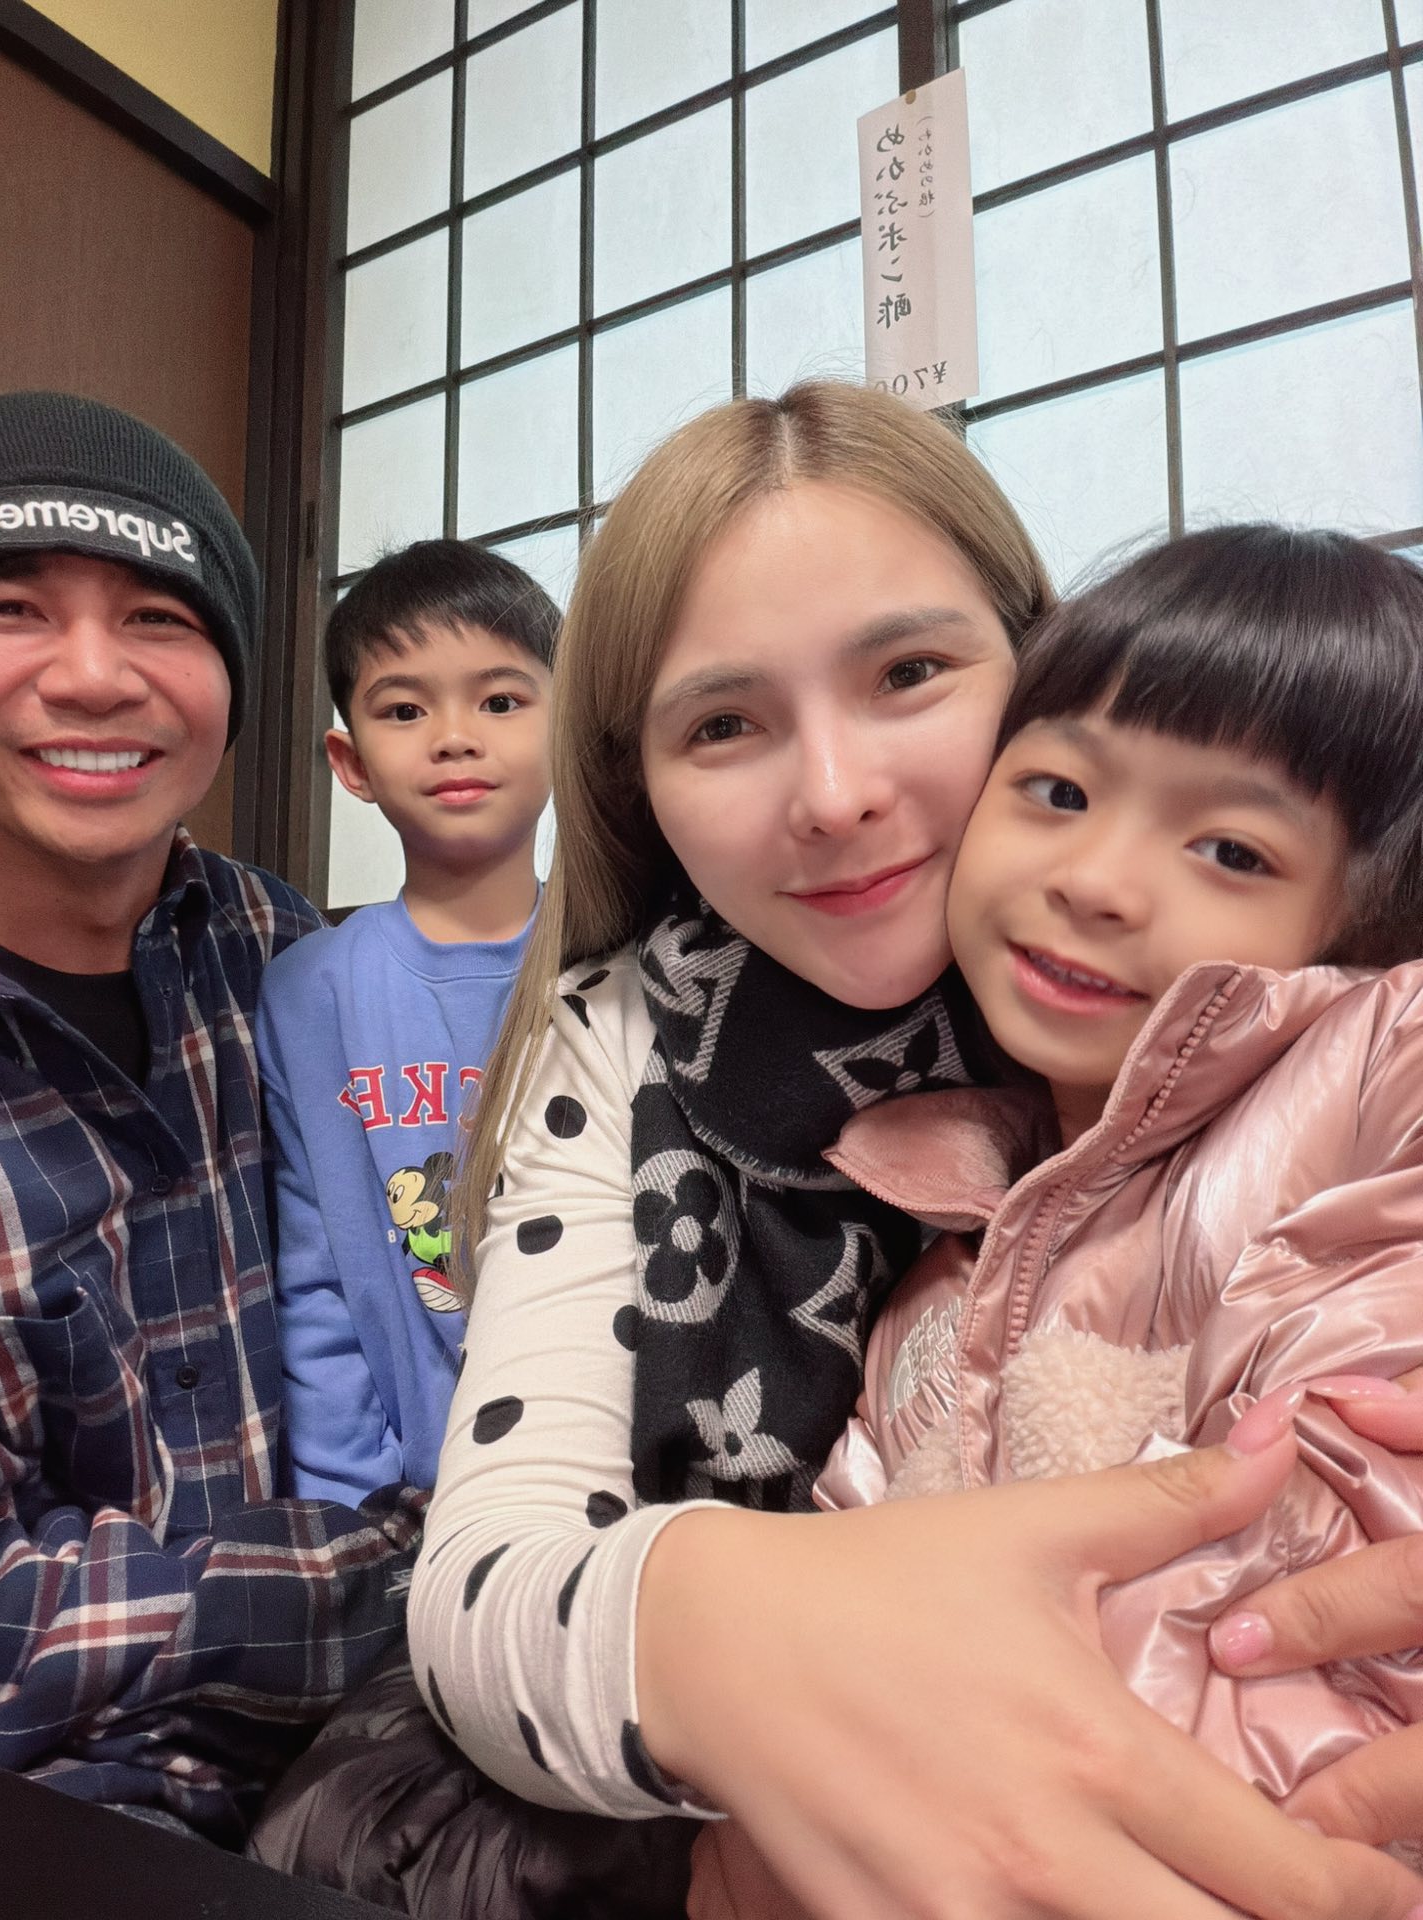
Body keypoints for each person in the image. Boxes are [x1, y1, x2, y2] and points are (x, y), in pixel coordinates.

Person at [406, 382, 1423, 1920]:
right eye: (724, 724)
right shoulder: (624, 1037)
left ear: (1037, 655)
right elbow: (490, 1580)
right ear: (640, 788)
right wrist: (747, 1659)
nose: (836, 798)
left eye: (910, 674)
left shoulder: (1293, 1030)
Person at [695, 523, 1423, 1913]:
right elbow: (838, 1596)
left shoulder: (1365, 1079)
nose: (1096, 879)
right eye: (1058, 790)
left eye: (1232, 848)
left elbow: (1293, 1612)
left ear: (1366, 918)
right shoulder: (936, 1236)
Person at [0, 392, 414, 1844]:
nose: (93, 676)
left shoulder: (284, 953)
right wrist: (404, 1577)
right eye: (10, 609)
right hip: (29, 1812)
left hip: (375, 1744)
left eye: (161, 620)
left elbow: (421, 1257)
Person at [256, 540, 556, 1505]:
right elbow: (313, 1276)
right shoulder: (306, 992)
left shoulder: (624, 957)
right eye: (404, 710)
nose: (455, 737)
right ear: (352, 763)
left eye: (500, 701)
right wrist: (345, 1508)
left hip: (613, 1479)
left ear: (568, 726)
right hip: (406, 1501)